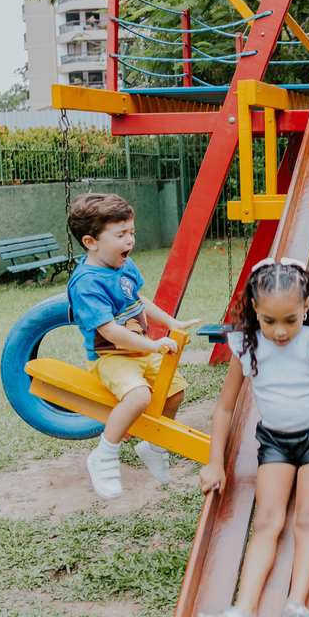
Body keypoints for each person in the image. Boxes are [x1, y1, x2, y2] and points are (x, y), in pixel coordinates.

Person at [189, 258, 309, 617]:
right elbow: (224, 408)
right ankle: (244, 611)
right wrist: (215, 462)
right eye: (269, 321)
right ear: (254, 307)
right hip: (275, 442)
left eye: (290, 319)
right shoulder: (246, 344)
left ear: (305, 306)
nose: (280, 331)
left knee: (305, 517)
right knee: (266, 522)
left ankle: (295, 607)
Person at [66, 193, 202, 499]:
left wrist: (172, 322)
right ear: (91, 242)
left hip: (140, 350)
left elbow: (139, 300)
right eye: (121, 234)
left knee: (175, 391)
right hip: (111, 357)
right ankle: (104, 454)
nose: (130, 240)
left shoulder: (124, 265)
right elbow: (111, 332)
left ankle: (153, 445)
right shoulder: (87, 283)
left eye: (132, 232)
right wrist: (153, 346)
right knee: (140, 396)